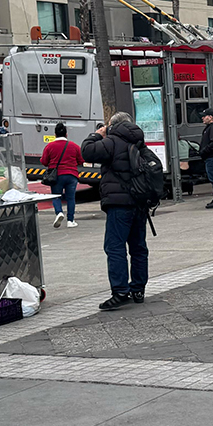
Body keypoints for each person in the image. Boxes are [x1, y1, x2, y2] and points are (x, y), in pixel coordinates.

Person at [82, 113, 151, 310]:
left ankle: (120, 290)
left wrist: (96, 134)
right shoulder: (139, 141)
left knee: (115, 247)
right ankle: (138, 289)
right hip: (139, 202)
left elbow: (86, 152)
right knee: (138, 247)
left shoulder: (112, 142)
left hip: (119, 204)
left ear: (113, 125)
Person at [40, 122, 82, 228]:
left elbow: (44, 161)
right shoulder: (74, 146)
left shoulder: (49, 146)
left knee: (56, 196)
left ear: (55, 134)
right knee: (71, 198)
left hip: (57, 175)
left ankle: (59, 212)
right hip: (72, 175)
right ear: (66, 134)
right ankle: (70, 221)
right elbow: (81, 160)